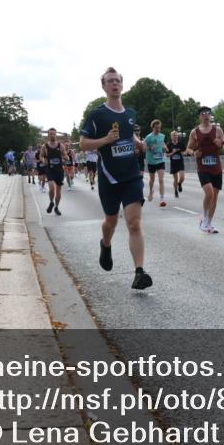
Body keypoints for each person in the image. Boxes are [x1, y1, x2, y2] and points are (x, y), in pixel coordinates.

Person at [79, 67, 152, 290]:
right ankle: (106, 244)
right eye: (110, 81)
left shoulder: (130, 113)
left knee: (134, 222)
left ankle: (139, 272)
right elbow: (83, 144)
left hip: (131, 176)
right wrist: (105, 140)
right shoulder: (96, 115)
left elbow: (130, 133)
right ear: (104, 86)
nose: (114, 84)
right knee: (111, 221)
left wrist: (138, 142)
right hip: (109, 178)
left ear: (122, 84)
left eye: (117, 81)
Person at [185, 106, 224, 233]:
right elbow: (188, 149)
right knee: (209, 193)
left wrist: (221, 145)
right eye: (203, 113)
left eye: (208, 113)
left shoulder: (218, 130)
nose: (206, 115)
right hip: (203, 167)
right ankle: (204, 218)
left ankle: (208, 223)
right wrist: (193, 153)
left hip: (216, 167)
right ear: (199, 116)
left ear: (210, 115)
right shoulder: (194, 132)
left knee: (214, 197)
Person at [40, 128, 66, 216]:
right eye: (51, 134)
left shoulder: (60, 146)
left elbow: (65, 155)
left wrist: (66, 158)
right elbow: (41, 155)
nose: (52, 136)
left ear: (56, 135)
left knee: (58, 191)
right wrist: (43, 160)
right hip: (50, 169)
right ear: (48, 135)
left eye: (54, 134)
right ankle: (51, 202)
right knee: (52, 188)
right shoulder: (45, 146)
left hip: (59, 170)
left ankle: (56, 207)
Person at [144, 119, 168, 206]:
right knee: (152, 180)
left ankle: (162, 199)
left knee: (161, 179)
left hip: (160, 160)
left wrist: (165, 148)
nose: (158, 130)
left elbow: (163, 143)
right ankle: (151, 191)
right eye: (157, 128)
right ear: (153, 127)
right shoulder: (148, 137)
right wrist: (150, 148)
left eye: (159, 128)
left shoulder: (162, 136)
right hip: (151, 161)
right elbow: (144, 147)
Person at [165, 129, 186, 198]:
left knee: (182, 177)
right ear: (171, 137)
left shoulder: (181, 144)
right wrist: (173, 152)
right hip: (173, 163)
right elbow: (167, 155)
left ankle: (179, 184)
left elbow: (184, 152)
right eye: (174, 135)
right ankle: (176, 191)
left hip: (180, 162)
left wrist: (182, 152)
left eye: (176, 135)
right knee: (175, 178)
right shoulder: (169, 145)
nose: (175, 137)